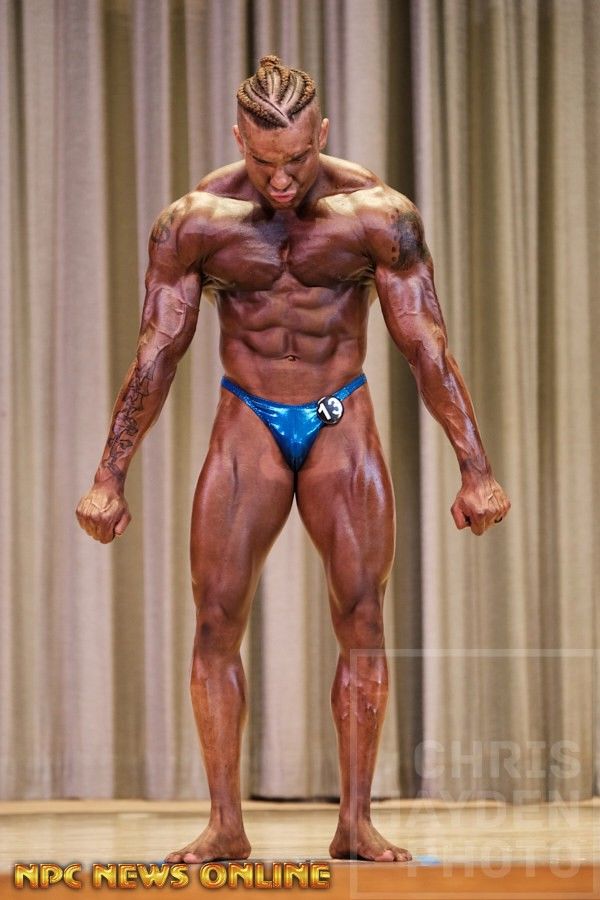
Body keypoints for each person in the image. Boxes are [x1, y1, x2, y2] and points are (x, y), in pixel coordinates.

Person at [76, 56, 510, 864]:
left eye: (298, 160)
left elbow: (425, 344)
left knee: (363, 617)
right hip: (248, 416)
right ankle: (224, 824)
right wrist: (109, 476)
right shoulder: (195, 224)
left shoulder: (377, 216)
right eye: (264, 161)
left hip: (339, 412)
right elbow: (157, 350)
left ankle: (356, 822)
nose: (281, 181)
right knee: (215, 618)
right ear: (238, 138)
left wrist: (475, 468)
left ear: (324, 135)